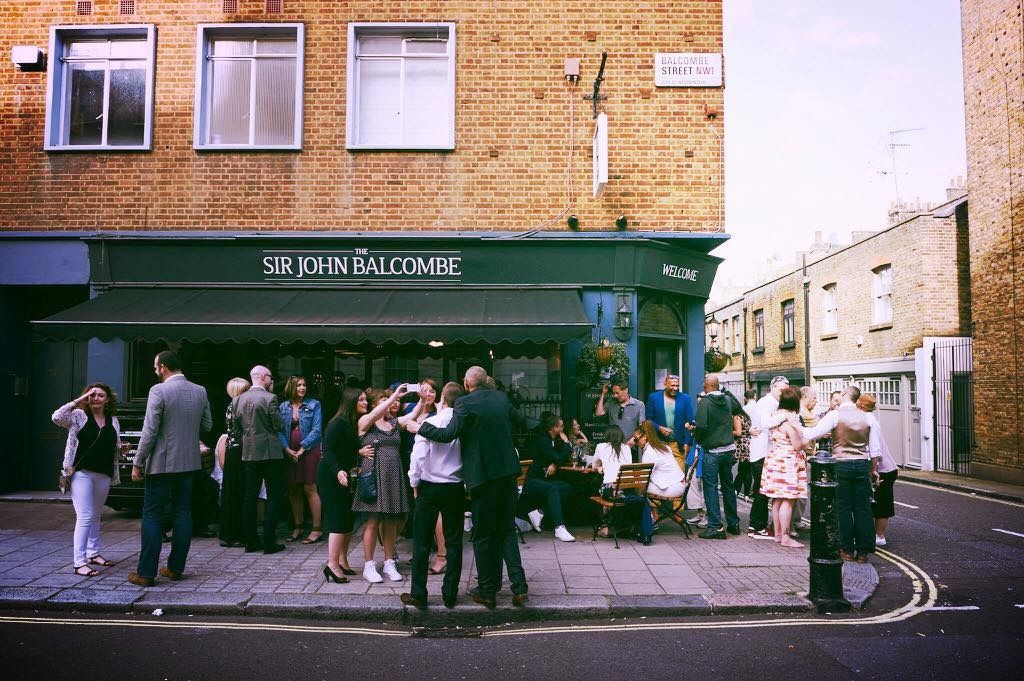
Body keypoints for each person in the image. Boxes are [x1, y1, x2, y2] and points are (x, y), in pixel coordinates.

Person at [406, 366, 528, 609]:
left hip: (471, 480)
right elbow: (522, 422)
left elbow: (445, 436)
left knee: (479, 535)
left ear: (466, 383)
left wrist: (419, 428)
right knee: (502, 531)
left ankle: (484, 591)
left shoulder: (463, 407)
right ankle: (517, 587)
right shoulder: (500, 399)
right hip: (497, 476)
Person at [129, 351, 213, 587]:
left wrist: (138, 462)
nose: (155, 371)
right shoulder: (200, 390)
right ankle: (175, 569)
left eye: (156, 367)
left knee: (152, 515)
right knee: (183, 514)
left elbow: (150, 431)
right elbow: (207, 424)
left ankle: (146, 573)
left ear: (163, 367)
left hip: (161, 465)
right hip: (189, 463)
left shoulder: (158, 391)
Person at [402, 381, 467, 609]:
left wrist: (414, 482)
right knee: (454, 542)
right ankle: (450, 594)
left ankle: (419, 594)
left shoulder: (430, 423)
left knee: (421, 541)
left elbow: (418, 457)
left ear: (442, 399)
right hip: (454, 487)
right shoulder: (463, 425)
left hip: (429, 486)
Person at [802, 386, 881, 562]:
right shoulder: (869, 417)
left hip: (841, 465)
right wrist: (873, 470)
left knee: (843, 508)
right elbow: (875, 449)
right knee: (863, 509)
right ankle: (863, 553)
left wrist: (793, 426)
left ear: (845, 395)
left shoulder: (835, 415)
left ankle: (846, 549)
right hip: (862, 465)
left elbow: (814, 433)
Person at [352, 386, 422, 583]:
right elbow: (375, 414)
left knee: (391, 520)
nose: (389, 404)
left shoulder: (392, 422)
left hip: (392, 474)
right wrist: (393, 397)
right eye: (383, 401)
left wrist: (423, 400)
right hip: (374, 473)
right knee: (373, 520)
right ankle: (369, 566)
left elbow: (412, 416)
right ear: (376, 404)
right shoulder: (365, 422)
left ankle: (389, 562)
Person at [53, 383, 123, 577]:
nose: (96, 399)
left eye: (100, 395)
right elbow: (56, 417)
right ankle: (79, 563)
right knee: (85, 516)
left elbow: (113, 446)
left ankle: (93, 553)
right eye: (92, 395)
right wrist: (78, 401)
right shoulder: (78, 416)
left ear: (107, 399)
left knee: (96, 514)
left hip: (104, 473)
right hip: (81, 473)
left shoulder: (113, 420)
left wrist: (121, 449)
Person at [317, 388, 375, 583]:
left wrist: (358, 452)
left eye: (366, 399)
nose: (366, 403)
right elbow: (329, 451)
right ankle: (332, 565)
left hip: (344, 476)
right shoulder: (337, 423)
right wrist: (338, 471)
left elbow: (345, 447)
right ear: (351, 402)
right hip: (331, 476)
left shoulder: (351, 423)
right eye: (361, 400)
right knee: (338, 520)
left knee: (348, 519)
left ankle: (342, 560)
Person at [231, 365, 286, 555]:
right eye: (270, 377)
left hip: (249, 452)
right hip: (270, 452)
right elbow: (278, 424)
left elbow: (236, 429)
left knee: (249, 496)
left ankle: (251, 541)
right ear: (263, 377)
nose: (272, 380)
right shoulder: (270, 398)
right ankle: (270, 541)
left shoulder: (237, 400)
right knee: (273, 496)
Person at [693, 374, 744, 539]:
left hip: (712, 451)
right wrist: (725, 391)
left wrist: (699, 439)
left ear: (706, 386)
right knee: (728, 487)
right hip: (728, 450)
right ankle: (733, 523)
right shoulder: (727, 400)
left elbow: (701, 426)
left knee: (711, 488)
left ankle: (715, 526)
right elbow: (738, 408)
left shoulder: (705, 402)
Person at [645, 374, 700, 521]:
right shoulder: (654, 398)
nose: (675, 388)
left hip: (678, 444)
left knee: (679, 477)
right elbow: (648, 420)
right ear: (665, 384)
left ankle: (676, 511)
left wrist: (687, 442)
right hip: (659, 444)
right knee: (654, 475)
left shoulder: (685, 399)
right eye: (672, 385)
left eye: (677, 386)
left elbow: (690, 423)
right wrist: (660, 427)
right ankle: (655, 511)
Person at [760, 386, 808, 549]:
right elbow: (797, 445)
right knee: (788, 499)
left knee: (777, 500)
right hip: (787, 462)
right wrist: (808, 440)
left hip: (774, 459)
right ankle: (786, 537)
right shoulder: (789, 423)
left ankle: (778, 535)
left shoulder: (775, 418)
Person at [279, 375, 324, 544]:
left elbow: (317, 430)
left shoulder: (314, 404)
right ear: (291, 387)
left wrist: (302, 449)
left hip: (310, 449)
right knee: (293, 488)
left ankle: (316, 528)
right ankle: (297, 526)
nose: (302, 388)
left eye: (304, 385)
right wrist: (287, 449)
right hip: (289, 450)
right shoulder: (283, 407)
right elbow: (279, 430)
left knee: (309, 487)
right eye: (298, 385)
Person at [523, 413, 576, 542]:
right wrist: (566, 444)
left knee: (566, 487)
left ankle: (540, 512)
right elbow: (559, 457)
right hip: (533, 481)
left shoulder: (554, 441)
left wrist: (555, 463)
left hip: (544, 479)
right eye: (561, 426)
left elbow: (558, 459)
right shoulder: (543, 440)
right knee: (553, 489)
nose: (563, 429)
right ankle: (559, 527)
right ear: (553, 428)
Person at [747, 376, 788, 539]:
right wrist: (786, 415)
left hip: (767, 453)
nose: (783, 393)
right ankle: (756, 527)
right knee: (761, 491)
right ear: (773, 387)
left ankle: (760, 525)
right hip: (761, 454)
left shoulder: (774, 403)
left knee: (764, 491)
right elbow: (765, 423)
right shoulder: (766, 403)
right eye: (781, 390)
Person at [856, 394, 899, 548]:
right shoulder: (867, 419)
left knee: (881, 505)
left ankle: (879, 536)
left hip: (883, 470)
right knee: (872, 503)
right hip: (882, 469)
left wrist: (873, 471)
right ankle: (872, 534)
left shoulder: (869, 421)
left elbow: (875, 450)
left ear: (860, 406)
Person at [216, 377, 250, 548]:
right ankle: (233, 533)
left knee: (232, 491)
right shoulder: (237, 407)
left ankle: (230, 532)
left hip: (234, 450)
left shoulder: (232, 406)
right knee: (237, 491)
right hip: (238, 452)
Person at [637, 421, 686, 498]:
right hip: (680, 485)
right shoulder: (664, 447)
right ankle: (655, 509)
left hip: (671, 489)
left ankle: (650, 510)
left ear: (645, 436)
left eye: (636, 439)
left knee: (639, 485)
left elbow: (644, 477)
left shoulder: (649, 452)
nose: (636, 442)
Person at [595, 381, 645, 455]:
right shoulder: (611, 403)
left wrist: (633, 440)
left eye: (617, 393)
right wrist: (603, 394)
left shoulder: (639, 405)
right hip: (612, 447)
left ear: (626, 390)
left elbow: (642, 426)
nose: (615, 396)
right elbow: (599, 413)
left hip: (630, 447)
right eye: (614, 393)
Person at [734, 389, 757, 500]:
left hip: (743, 443)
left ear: (744, 398)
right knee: (747, 468)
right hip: (754, 441)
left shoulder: (742, 412)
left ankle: (737, 489)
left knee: (744, 468)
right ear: (755, 396)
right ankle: (746, 492)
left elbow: (738, 431)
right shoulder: (758, 408)